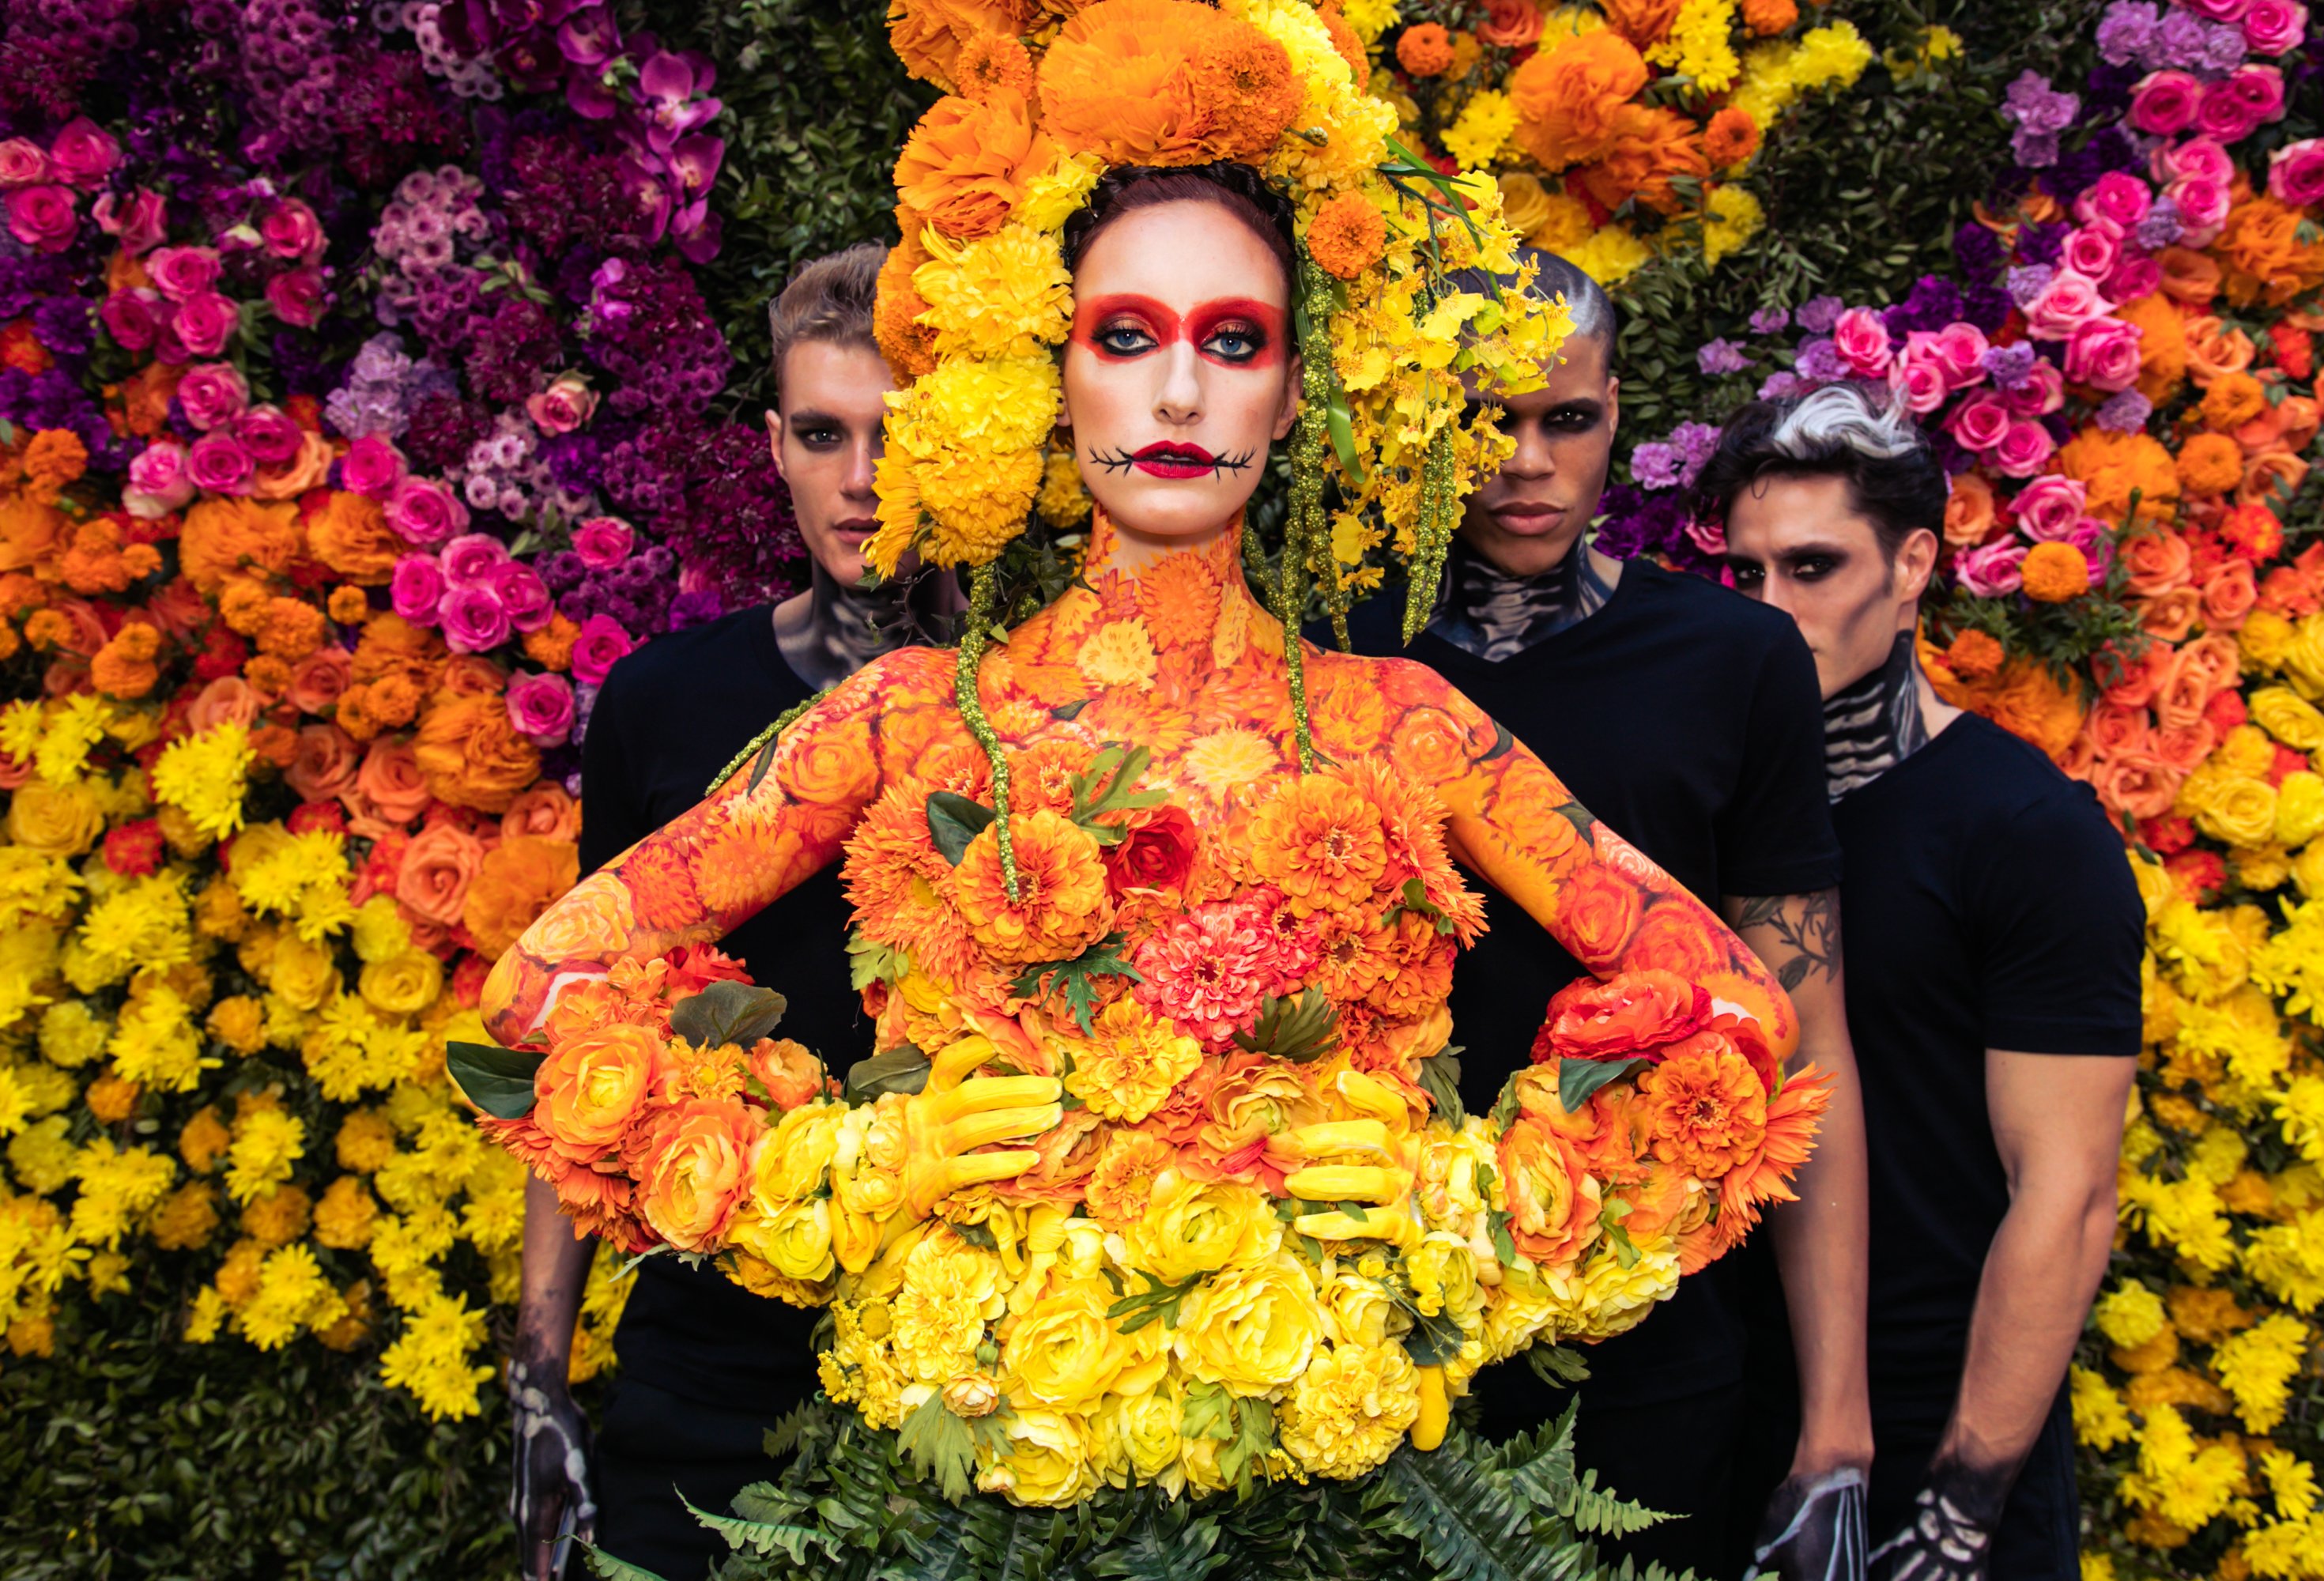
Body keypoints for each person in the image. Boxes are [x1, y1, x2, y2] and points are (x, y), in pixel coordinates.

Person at [480, 163, 1817, 1533]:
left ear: (1295, 395)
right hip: (976, 1491)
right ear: (1051, 376)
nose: (1179, 394)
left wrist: (1465, 1205)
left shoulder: (1403, 725)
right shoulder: (911, 718)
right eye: (1127, 336)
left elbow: (1735, 1008)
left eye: (1232, 341)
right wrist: (854, 1169)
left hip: (1344, 1497)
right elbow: (541, 986)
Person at [1318, 251, 1871, 1580]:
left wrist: (1839, 1420)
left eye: (1564, 419)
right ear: (1420, 414)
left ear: (1617, 411)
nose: (1525, 460)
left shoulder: (1732, 661)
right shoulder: (1324, 646)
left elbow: (1808, 1040)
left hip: (1650, 1332)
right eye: (1485, 418)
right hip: (1351, 1326)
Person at [507, 243, 957, 1581]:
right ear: (774, 445)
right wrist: (540, 1371)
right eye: (824, 434)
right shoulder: (665, 702)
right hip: (707, 1335)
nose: (862, 478)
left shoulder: (1044, 701)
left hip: (976, 1343)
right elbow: (575, 1039)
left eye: (899, 433)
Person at [1707, 384, 2141, 1581]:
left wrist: (1955, 1513)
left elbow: (2066, 1199)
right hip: (1726, 1411)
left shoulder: (2023, 827)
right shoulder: (1713, 807)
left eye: (1813, 567)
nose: (1773, 612)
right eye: (1746, 577)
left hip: (1940, 1435)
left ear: (1912, 568)